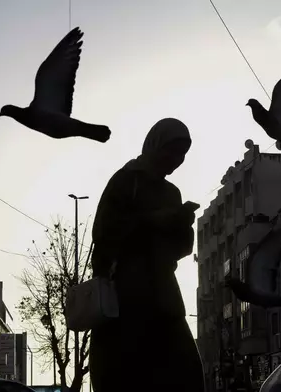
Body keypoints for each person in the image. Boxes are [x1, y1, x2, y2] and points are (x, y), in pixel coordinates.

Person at [88, 118, 204, 391]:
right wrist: (153, 220)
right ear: (155, 145)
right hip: (127, 298)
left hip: (165, 297)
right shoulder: (127, 180)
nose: (177, 160)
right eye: (172, 151)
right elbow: (103, 232)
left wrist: (182, 224)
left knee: (187, 374)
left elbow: (182, 249)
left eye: (182, 154)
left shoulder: (171, 192)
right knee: (126, 376)